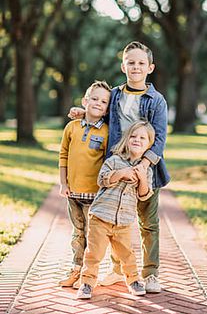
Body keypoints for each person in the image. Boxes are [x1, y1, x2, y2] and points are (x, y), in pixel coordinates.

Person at [69, 41, 170, 293]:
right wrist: (84, 113)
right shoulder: (114, 94)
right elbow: (101, 112)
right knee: (114, 220)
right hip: (116, 164)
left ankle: (151, 273)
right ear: (123, 65)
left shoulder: (157, 101)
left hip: (146, 170)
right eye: (131, 62)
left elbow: (159, 138)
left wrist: (144, 167)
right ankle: (117, 270)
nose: (136, 67)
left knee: (148, 223)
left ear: (150, 67)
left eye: (141, 63)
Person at [77, 120, 155, 299]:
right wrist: (122, 173)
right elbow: (102, 180)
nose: (137, 140)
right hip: (101, 217)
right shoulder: (114, 160)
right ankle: (87, 283)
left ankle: (134, 280)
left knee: (127, 254)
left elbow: (144, 195)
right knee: (94, 253)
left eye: (142, 138)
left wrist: (142, 178)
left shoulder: (146, 170)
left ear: (149, 144)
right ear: (127, 139)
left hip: (124, 221)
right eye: (133, 136)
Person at [59, 81, 111, 289]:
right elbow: (63, 155)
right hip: (73, 192)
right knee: (77, 233)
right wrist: (63, 183)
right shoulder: (71, 127)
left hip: (95, 195)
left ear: (107, 109)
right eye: (94, 98)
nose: (98, 103)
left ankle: (89, 275)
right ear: (85, 101)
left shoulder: (107, 132)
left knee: (93, 236)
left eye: (104, 101)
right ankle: (76, 269)